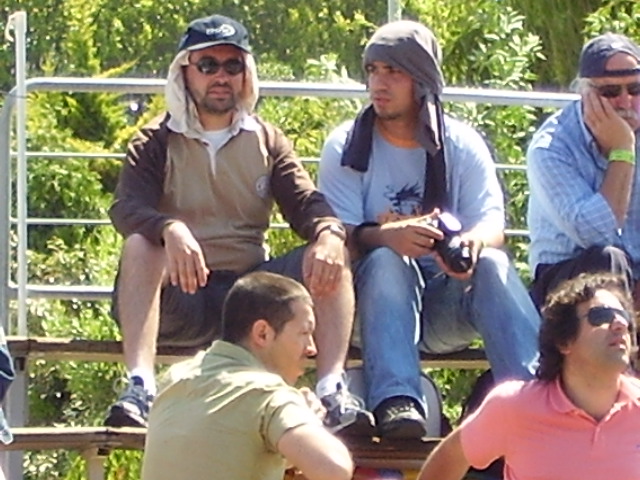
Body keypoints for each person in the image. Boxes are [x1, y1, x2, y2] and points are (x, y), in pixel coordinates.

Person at [105, 13, 373, 434]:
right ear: (185, 72)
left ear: (246, 73)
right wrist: (169, 228)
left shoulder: (267, 139)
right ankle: (140, 387)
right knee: (141, 245)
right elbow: (126, 208)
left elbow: (306, 203)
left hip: (249, 301)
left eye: (232, 65)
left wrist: (329, 232)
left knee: (330, 249)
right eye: (207, 65)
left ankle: (331, 390)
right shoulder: (155, 139)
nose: (221, 76)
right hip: (183, 299)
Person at [319, 19, 540, 440]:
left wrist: (470, 245)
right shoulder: (346, 145)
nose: (378, 83)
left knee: (493, 263)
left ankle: (535, 396)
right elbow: (335, 233)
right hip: (372, 310)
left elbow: (492, 223)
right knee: (388, 260)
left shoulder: (460, 143)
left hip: (442, 304)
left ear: (421, 80)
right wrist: (386, 236)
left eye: (393, 71)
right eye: (373, 71)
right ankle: (397, 400)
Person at [417, 272, 640, 480]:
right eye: (601, 316)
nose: (620, 324)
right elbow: (450, 457)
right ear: (564, 341)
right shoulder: (513, 406)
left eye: (624, 317)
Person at [141, 271, 354, 480]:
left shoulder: (174, 379)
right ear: (263, 333)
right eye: (304, 333)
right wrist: (308, 420)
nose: (312, 349)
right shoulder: (267, 394)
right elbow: (334, 468)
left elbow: (226, 449)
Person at [527, 32, 640, 309]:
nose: (626, 102)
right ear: (584, 93)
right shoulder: (551, 147)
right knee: (608, 259)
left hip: (633, 271)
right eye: (610, 92)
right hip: (566, 278)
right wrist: (623, 150)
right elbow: (596, 234)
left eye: (635, 89)